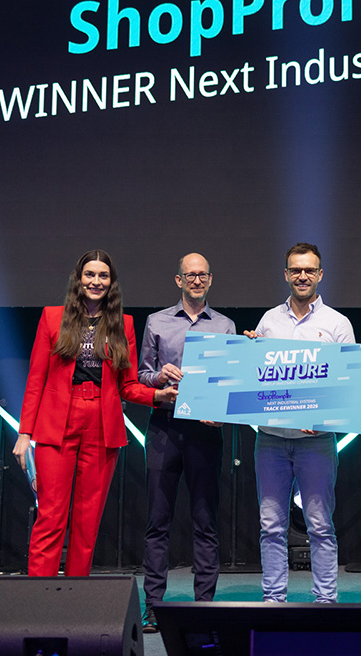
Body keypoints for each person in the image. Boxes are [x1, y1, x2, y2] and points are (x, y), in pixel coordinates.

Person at [13, 249, 177, 577]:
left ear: (111, 283)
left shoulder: (123, 324)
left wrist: (157, 395)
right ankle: (37, 595)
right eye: (90, 274)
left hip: (102, 426)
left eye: (103, 276)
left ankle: (74, 595)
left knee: (88, 522)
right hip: (57, 423)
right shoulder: (52, 317)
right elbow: (36, 380)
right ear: (79, 279)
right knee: (51, 516)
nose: (96, 281)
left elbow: (128, 386)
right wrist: (24, 433)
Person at [244, 242, 355, 603]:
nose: (302, 276)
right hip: (271, 440)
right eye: (296, 270)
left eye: (309, 270)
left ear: (320, 274)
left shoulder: (337, 324)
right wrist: (247, 354)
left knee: (320, 525)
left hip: (316, 441)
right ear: (286, 274)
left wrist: (325, 417)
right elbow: (256, 378)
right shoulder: (268, 322)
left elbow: (347, 384)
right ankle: (274, 599)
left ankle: (325, 600)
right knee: (270, 526)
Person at [138, 253, 236, 633]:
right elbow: (142, 374)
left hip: (205, 431)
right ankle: (153, 607)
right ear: (178, 280)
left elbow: (232, 381)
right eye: (190, 275)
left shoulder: (225, 326)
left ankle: (204, 608)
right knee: (157, 522)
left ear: (210, 279)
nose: (196, 280)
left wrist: (222, 411)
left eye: (202, 275)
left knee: (205, 522)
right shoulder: (157, 321)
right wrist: (159, 377)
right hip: (164, 428)